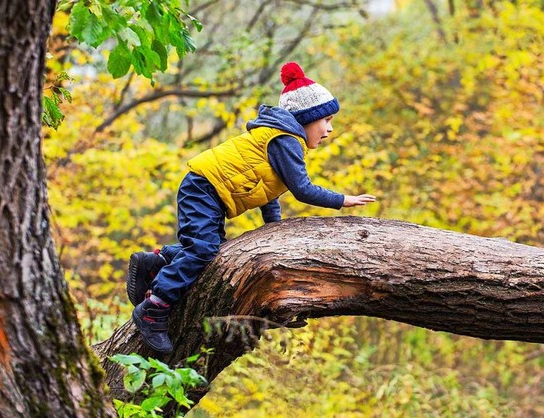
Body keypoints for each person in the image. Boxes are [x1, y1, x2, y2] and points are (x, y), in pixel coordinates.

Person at [128, 62, 376, 353]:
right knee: (204, 250)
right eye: (327, 120)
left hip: (208, 190)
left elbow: (267, 187)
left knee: (211, 251)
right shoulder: (286, 140)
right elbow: (302, 189)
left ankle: (158, 261)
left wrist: (273, 226)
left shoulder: (281, 139)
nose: (330, 129)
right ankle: (153, 308)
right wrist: (342, 200)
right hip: (204, 187)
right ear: (307, 118)